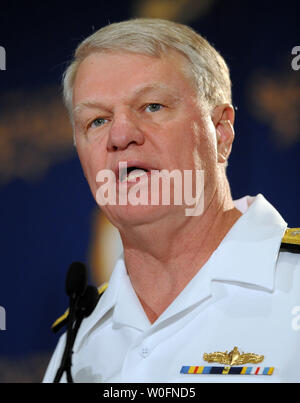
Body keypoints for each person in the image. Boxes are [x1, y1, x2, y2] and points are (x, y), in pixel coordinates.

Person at [43, 18, 300, 383]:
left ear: (222, 133)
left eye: (152, 106)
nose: (120, 135)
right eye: (97, 121)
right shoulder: (78, 343)